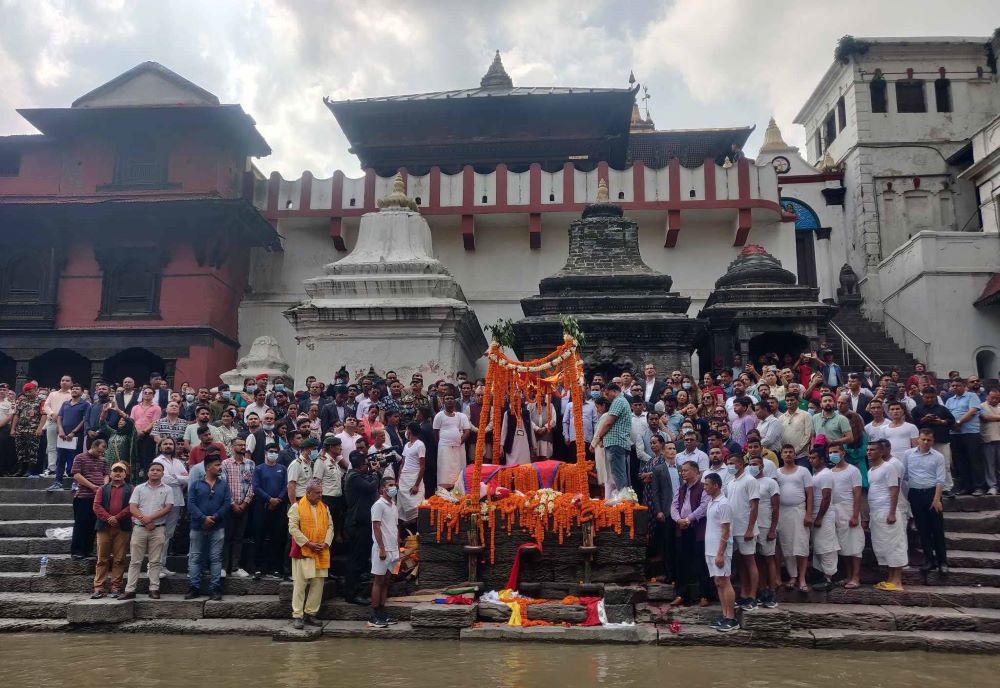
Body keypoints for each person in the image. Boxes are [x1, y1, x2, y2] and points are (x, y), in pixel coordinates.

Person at [121, 461, 174, 600]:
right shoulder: (139, 488)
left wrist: (149, 519)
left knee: (155, 561)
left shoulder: (168, 489)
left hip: (158, 529)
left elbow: (168, 508)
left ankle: (154, 588)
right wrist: (144, 520)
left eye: (158, 470)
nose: (155, 472)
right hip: (139, 528)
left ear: (163, 473)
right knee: (135, 561)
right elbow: (132, 507)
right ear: (148, 472)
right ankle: (130, 589)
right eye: (152, 470)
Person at [288, 479, 333, 630]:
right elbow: (293, 529)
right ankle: (297, 615)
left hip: (321, 550)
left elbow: (330, 527)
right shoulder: (296, 507)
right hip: (303, 550)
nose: (320, 495)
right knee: (300, 584)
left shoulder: (324, 507)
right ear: (308, 493)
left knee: (318, 584)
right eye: (317, 493)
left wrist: (326, 543)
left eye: (321, 492)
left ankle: (311, 613)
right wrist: (308, 543)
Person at [185, 453, 231, 601]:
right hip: (198, 526)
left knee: (216, 558)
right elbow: (191, 504)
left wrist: (215, 517)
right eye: (217, 465)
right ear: (208, 467)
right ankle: (194, 587)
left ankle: (215, 588)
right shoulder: (196, 484)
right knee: (195, 557)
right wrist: (203, 518)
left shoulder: (223, 485)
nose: (220, 468)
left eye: (220, 465)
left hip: (217, 526)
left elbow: (226, 504)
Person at [904, 428, 948, 574]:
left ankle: (942, 561)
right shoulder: (908, 454)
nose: (925, 442)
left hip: (932, 493)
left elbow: (940, 479)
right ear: (918, 439)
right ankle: (929, 560)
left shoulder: (938, 457)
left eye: (929, 440)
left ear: (933, 441)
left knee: (937, 529)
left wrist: (936, 499)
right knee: (923, 529)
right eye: (923, 439)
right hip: (915, 494)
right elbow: (904, 475)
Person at [867, 440, 907, 592]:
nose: (869, 452)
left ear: (881, 452)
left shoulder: (888, 467)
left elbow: (894, 490)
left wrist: (892, 512)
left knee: (894, 545)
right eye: (868, 449)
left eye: (873, 450)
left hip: (887, 511)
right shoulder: (871, 470)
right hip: (876, 512)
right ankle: (890, 579)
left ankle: (897, 581)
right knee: (884, 546)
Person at [670, 461, 710, 608]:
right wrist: (678, 519)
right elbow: (673, 506)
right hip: (682, 528)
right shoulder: (681, 489)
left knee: (701, 562)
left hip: (697, 528)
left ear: (695, 471)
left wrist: (689, 519)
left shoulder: (703, 487)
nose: (683, 473)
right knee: (682, 562)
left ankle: (704, 595)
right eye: (682, 471)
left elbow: (704, 507)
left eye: (686, 470)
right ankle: (681, 594)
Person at [724, 451, 760, 611]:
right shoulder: (731, 482)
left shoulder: (750, 480)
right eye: (728, 463)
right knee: (740, 563)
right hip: (734, 529)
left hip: (746, 529)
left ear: (740, 464)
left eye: (732, 463)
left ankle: (753, 596)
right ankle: (744, 593)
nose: (730, 466)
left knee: (750, 562)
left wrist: (750, 529)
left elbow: (754, 506)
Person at [775, 443, 813, 592]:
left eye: (791, 452)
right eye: (786, 452)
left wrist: (809, 514)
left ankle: (802, 578)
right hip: (783, 513)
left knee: (801, 545)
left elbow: (809, 493)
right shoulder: (777, 473)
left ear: (795, 455)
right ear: (781, 455)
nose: (788, 454)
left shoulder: (803, 471)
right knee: (787, 545)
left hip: (799, 510)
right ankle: (793, 576)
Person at [91, 461, 132, 599]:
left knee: (119, 559)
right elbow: (96, 506)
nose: (118, 473)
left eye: (121, 471)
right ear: (110, 473)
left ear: (125, 474)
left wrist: (117, 518)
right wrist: (109, 518)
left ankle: (116, 586)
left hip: (122, 528)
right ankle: (99, 587)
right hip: (104, 527)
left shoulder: (131, 489)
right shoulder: (102, 489)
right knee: (102, 559)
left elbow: (131, 506)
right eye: (115, 470)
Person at [703, 472, 738, 632]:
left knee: (725, 581)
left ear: (716, 485)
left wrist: (720, 553)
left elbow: (725, 531)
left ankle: (731, 618)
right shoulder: (711, 502)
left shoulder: (723, 503)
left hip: (720, 550)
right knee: (718, 582)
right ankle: (724, 615)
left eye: (707, 484)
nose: (705, 487)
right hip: (710, 549)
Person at [344, 451, 379, 604]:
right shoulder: (353, 477)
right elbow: (370, 487)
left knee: (362, 559)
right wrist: (377, 473)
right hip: (357, 524)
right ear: (359, 466)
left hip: (363, 522)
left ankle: (359, 590)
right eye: (366, 464)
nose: (368, 466)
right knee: (356, 560)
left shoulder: (359, 475)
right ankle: (352, 594)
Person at [152, 437, 188, 577]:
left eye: (170, 444)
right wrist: (179, 479)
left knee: (168, 534)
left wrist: (177, 478)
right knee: (159, 534)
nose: (168, 446)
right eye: (165, 444)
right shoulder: (158, 461)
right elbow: (164, 479)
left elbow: (188, 479)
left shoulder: (178, 461)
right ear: (160, 447)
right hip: (162, 500)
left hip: (177, 500)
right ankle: (153, 566)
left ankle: (162, 565)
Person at [830, 444, 864, 588]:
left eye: (835, 452)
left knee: (854, 544)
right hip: (835, 510)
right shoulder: (829, 472)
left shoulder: (853, 470)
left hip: (849, 508)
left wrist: (855, 515)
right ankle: (848, 575)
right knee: (843, 546)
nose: (833, 454)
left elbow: (857, 494)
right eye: (830, 452)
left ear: (843, 453)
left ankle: (856, 576)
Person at [220, 437, 255, 578]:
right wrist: (233, 503)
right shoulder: (225, 463)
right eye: (239, 445)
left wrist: (245, 503)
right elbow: (223, 485)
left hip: (244, 506)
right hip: (229, 506)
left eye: (244, 445)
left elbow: (253, 485)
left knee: (239, 537)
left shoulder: (251, 464)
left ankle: (235, 567)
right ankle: (223, 566)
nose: (242, 447)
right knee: (226, 536)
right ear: (232, 446)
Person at [912, 386, 956, 496]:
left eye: (932, 397)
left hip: (941, 439)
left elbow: (952, 421)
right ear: (923, 397)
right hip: (924, 441)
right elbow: (912, 424)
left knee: (945, 464)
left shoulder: (942, 409)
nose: (930, 399)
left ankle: (946, 488)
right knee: (926, 464)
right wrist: (923, 419)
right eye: (927, 397)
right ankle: (930, 486)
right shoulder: (917, 409)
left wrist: (941, 421)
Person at [252, 442, 288, 579]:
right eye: (270, 451)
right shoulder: (259, 469)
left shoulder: (282, 468)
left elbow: (285, 486)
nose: (273, 453)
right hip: (262, 507)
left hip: (278, 508)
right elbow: (256, 487)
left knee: (276, 538)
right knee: (259, 538)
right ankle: (258, 568)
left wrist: (278, 499)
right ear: (266, 453)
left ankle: (275, 568)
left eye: (275, 451)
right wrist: (269, 499)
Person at [748, 454, 780, 608]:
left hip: (766, 525)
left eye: (755, 463)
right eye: (750, 463)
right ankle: (762, 589)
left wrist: (773, 528)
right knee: (757, 559)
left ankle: (772, 591)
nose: (752, 466)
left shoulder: (770, 483)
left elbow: (776, 507)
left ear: (762, 466)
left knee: (769, 558)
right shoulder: (749, 482)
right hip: (752, 526)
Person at [70, 439, 109, 559]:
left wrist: (104, 486)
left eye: (102, 452)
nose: (100, 454)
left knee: (93, 524)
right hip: (83, 496)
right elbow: (76, 474)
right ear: (94, 446)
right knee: (81, 524)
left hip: (97, 498)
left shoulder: (103, 460)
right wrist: (92, 486)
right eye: (99, 451)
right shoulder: (80, 457)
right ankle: (77, 550)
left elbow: (106, 474)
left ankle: (88, 549)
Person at [369, 475, 400, 628]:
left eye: (394, 484)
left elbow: (395, 527)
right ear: (382, 489)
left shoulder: (393, 505)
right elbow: (376, 527)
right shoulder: (378, 505)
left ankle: (382, 612)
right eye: (390, 485)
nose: (394, 487)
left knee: (387, 582)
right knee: (378, 581)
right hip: (382, 549)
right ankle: (374, 615)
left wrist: (397, 547)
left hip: (393, 549)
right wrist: (382, 548)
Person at [945, 378, 985, 495]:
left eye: (957, 385)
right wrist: (952, 425)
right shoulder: (949, 400)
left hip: (970, 432)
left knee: (974, 459)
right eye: (953, 386)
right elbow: (947, 414)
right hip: (955, 434)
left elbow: (972, 412)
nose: (955, 387)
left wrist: (958, 423)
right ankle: (966, 487)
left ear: (964, 386)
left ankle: (979, 487)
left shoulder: (971, 396)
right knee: (960, 461)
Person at [592, 383, 632, 497]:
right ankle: (623, 497)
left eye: (607, 393)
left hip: (616, 442)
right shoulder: (622, 401)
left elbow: (608, 423)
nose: (606, 397)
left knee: (617, 473)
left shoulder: (618, 401)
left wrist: (599, 437)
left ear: (614, 391)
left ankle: (622, 498)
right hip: (618, 442)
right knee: (619, 472)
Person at [649, 438, 680, 584]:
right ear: (663, 451)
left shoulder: (681, 468)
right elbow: (655, 492)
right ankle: (669, 574)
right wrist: (659, 510)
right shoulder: (658, 469)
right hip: (666, 511)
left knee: (679, 543)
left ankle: (681, 573)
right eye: (669, 449)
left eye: (674, 449)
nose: (672, 451)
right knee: (667, 544)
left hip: (681, 512)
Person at [808, 447, 838, 591]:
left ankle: (829, 577)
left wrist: (820, 517)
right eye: (810, 458)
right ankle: (820, 575)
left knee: (826, 546)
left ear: (821, 459)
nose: (811, 460)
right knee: (818, 546)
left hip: (824, 515)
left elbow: (826, 497)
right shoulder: (816, 475)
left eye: (814, 458)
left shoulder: (825, 474)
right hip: (815, 514)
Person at [50, 383, 90, 490]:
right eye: (73, 389)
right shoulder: (65, 403)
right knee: (60, 459)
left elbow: (84, 420)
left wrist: (74, 432)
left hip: (76, 437)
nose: (74, 390)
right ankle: (57, 482)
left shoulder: (85, 404)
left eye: (77, 389)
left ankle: (75, 482)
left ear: (81, 392)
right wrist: (61, 430)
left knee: (75, 460)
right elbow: (59, 418)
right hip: (63, 436)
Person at [432, 389, 471, 490]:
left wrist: (458, 442)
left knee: (458, 469)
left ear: (455, 401)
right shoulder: (439, 416)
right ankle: (444, 494)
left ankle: (459, 491)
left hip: (458, 447)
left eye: (451, 398)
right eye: (447, 398)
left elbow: (467, 431)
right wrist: (443, 443)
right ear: (444, 401)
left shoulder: (460, 416)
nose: (449, 400)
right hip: (444, 448)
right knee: (445, 471)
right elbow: (435, 433)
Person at [314, 435, 348, 545]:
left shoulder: (334, 461)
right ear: (331, 447)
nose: (341, 448)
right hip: (326, 499)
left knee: (334, 528)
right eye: (338, 446)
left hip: (337, 499)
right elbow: (316, 481)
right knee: (326, 529)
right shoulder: (321, 460)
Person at [12, 382, 46, 477]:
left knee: (32, 451)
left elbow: (44, 415)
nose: (28, 393)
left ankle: (30, 470)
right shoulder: (22, 401)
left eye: (30, 391)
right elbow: (16, 415)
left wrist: (40, 428)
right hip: (21, 430)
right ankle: (21, 469)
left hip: (33, 429)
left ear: (36, 390)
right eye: (26, 392)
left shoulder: (41, 401)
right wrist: (13, 429)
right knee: (20, 450)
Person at [398, 422, 426, 525]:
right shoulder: (406, 445)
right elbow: (402, 463)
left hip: (414, 478)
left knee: (418, 507)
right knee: (401, 509)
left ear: (409, 430)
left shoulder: (420, 445)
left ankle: (419, 533)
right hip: (404, 479)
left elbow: (422, 466)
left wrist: (416, 485)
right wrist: (398, 480)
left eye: (407, 429)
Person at [779, 389, 813, 468]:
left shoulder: (806, 415)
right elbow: (779, 437)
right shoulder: (781, 418)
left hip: (802, 456)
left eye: (792, 400)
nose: (789, 402)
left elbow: (808, 436)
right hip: (786, 456)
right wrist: (784, 452)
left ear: (798, 401)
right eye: (787, 400)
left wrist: (796, 451)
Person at [287, 437, 317, 504]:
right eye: (314, 449)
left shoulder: (311, 463)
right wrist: (294, 505)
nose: (316, 451)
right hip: (300, 498)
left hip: (310, 498)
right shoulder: (296, 464)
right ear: (306, 449)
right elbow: (291, 486)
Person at [982, 387, 1000, 496]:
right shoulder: (981, 406)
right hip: (988, 439)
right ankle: (992, 486)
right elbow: (985, 417)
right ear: (987, 396)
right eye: (993, 398)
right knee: (990, 465)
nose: (995, 400)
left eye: (997, 398)